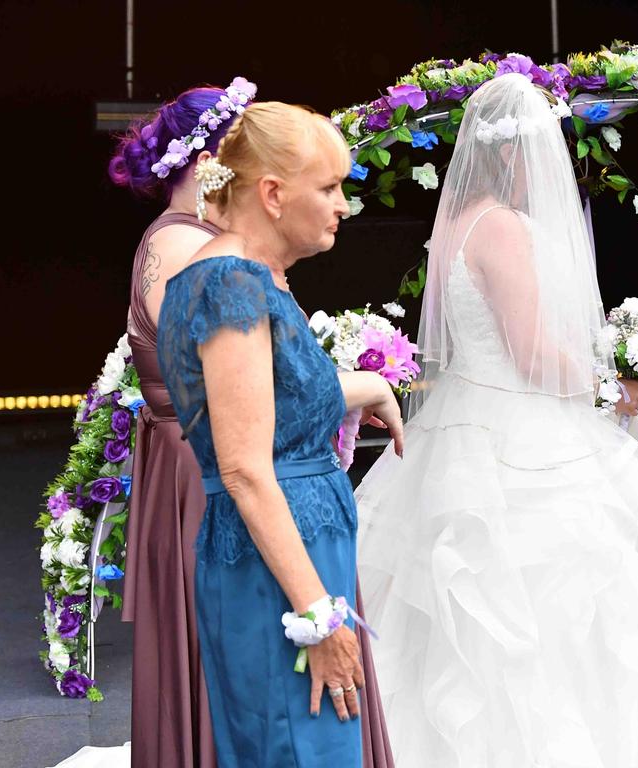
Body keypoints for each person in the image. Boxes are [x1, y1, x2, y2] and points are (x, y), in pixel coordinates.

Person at [353, 73, 638, 767]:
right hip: (519, 429)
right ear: (521, 151)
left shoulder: (458, 219)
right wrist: (609, 386)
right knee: (543, 602)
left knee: (459, 597)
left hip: (462, 415)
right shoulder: (503, 227)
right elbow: (530, 350)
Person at [156, 101, 404, 767]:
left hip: (292, 556)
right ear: (271, 194)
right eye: (328, 188)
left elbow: (270, 404)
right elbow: (243, 467)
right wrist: (319, 617)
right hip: (279, 574)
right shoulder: (230, 284)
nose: (343, 206)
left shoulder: (243, 277)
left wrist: (363, 388)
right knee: (300, 749)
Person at [109, 77, 255, 768]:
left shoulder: (200, 238)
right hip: (197, 464)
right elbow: (204, 363)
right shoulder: (177, 247)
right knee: (211, 631)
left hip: (203, 455)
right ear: (206, 161)